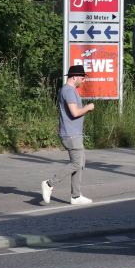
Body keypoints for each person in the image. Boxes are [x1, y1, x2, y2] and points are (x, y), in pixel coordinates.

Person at [41, 65, 95, 205]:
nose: (83, 81)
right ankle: (49, 183)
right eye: (82, 78)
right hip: (71, 134)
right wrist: (88, 108)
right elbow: (75, 113)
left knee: (80, 162)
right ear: (74, 77)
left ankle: (76, 196)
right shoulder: (69, 91)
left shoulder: (68, 90)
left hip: (74, 133)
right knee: (77, 162)